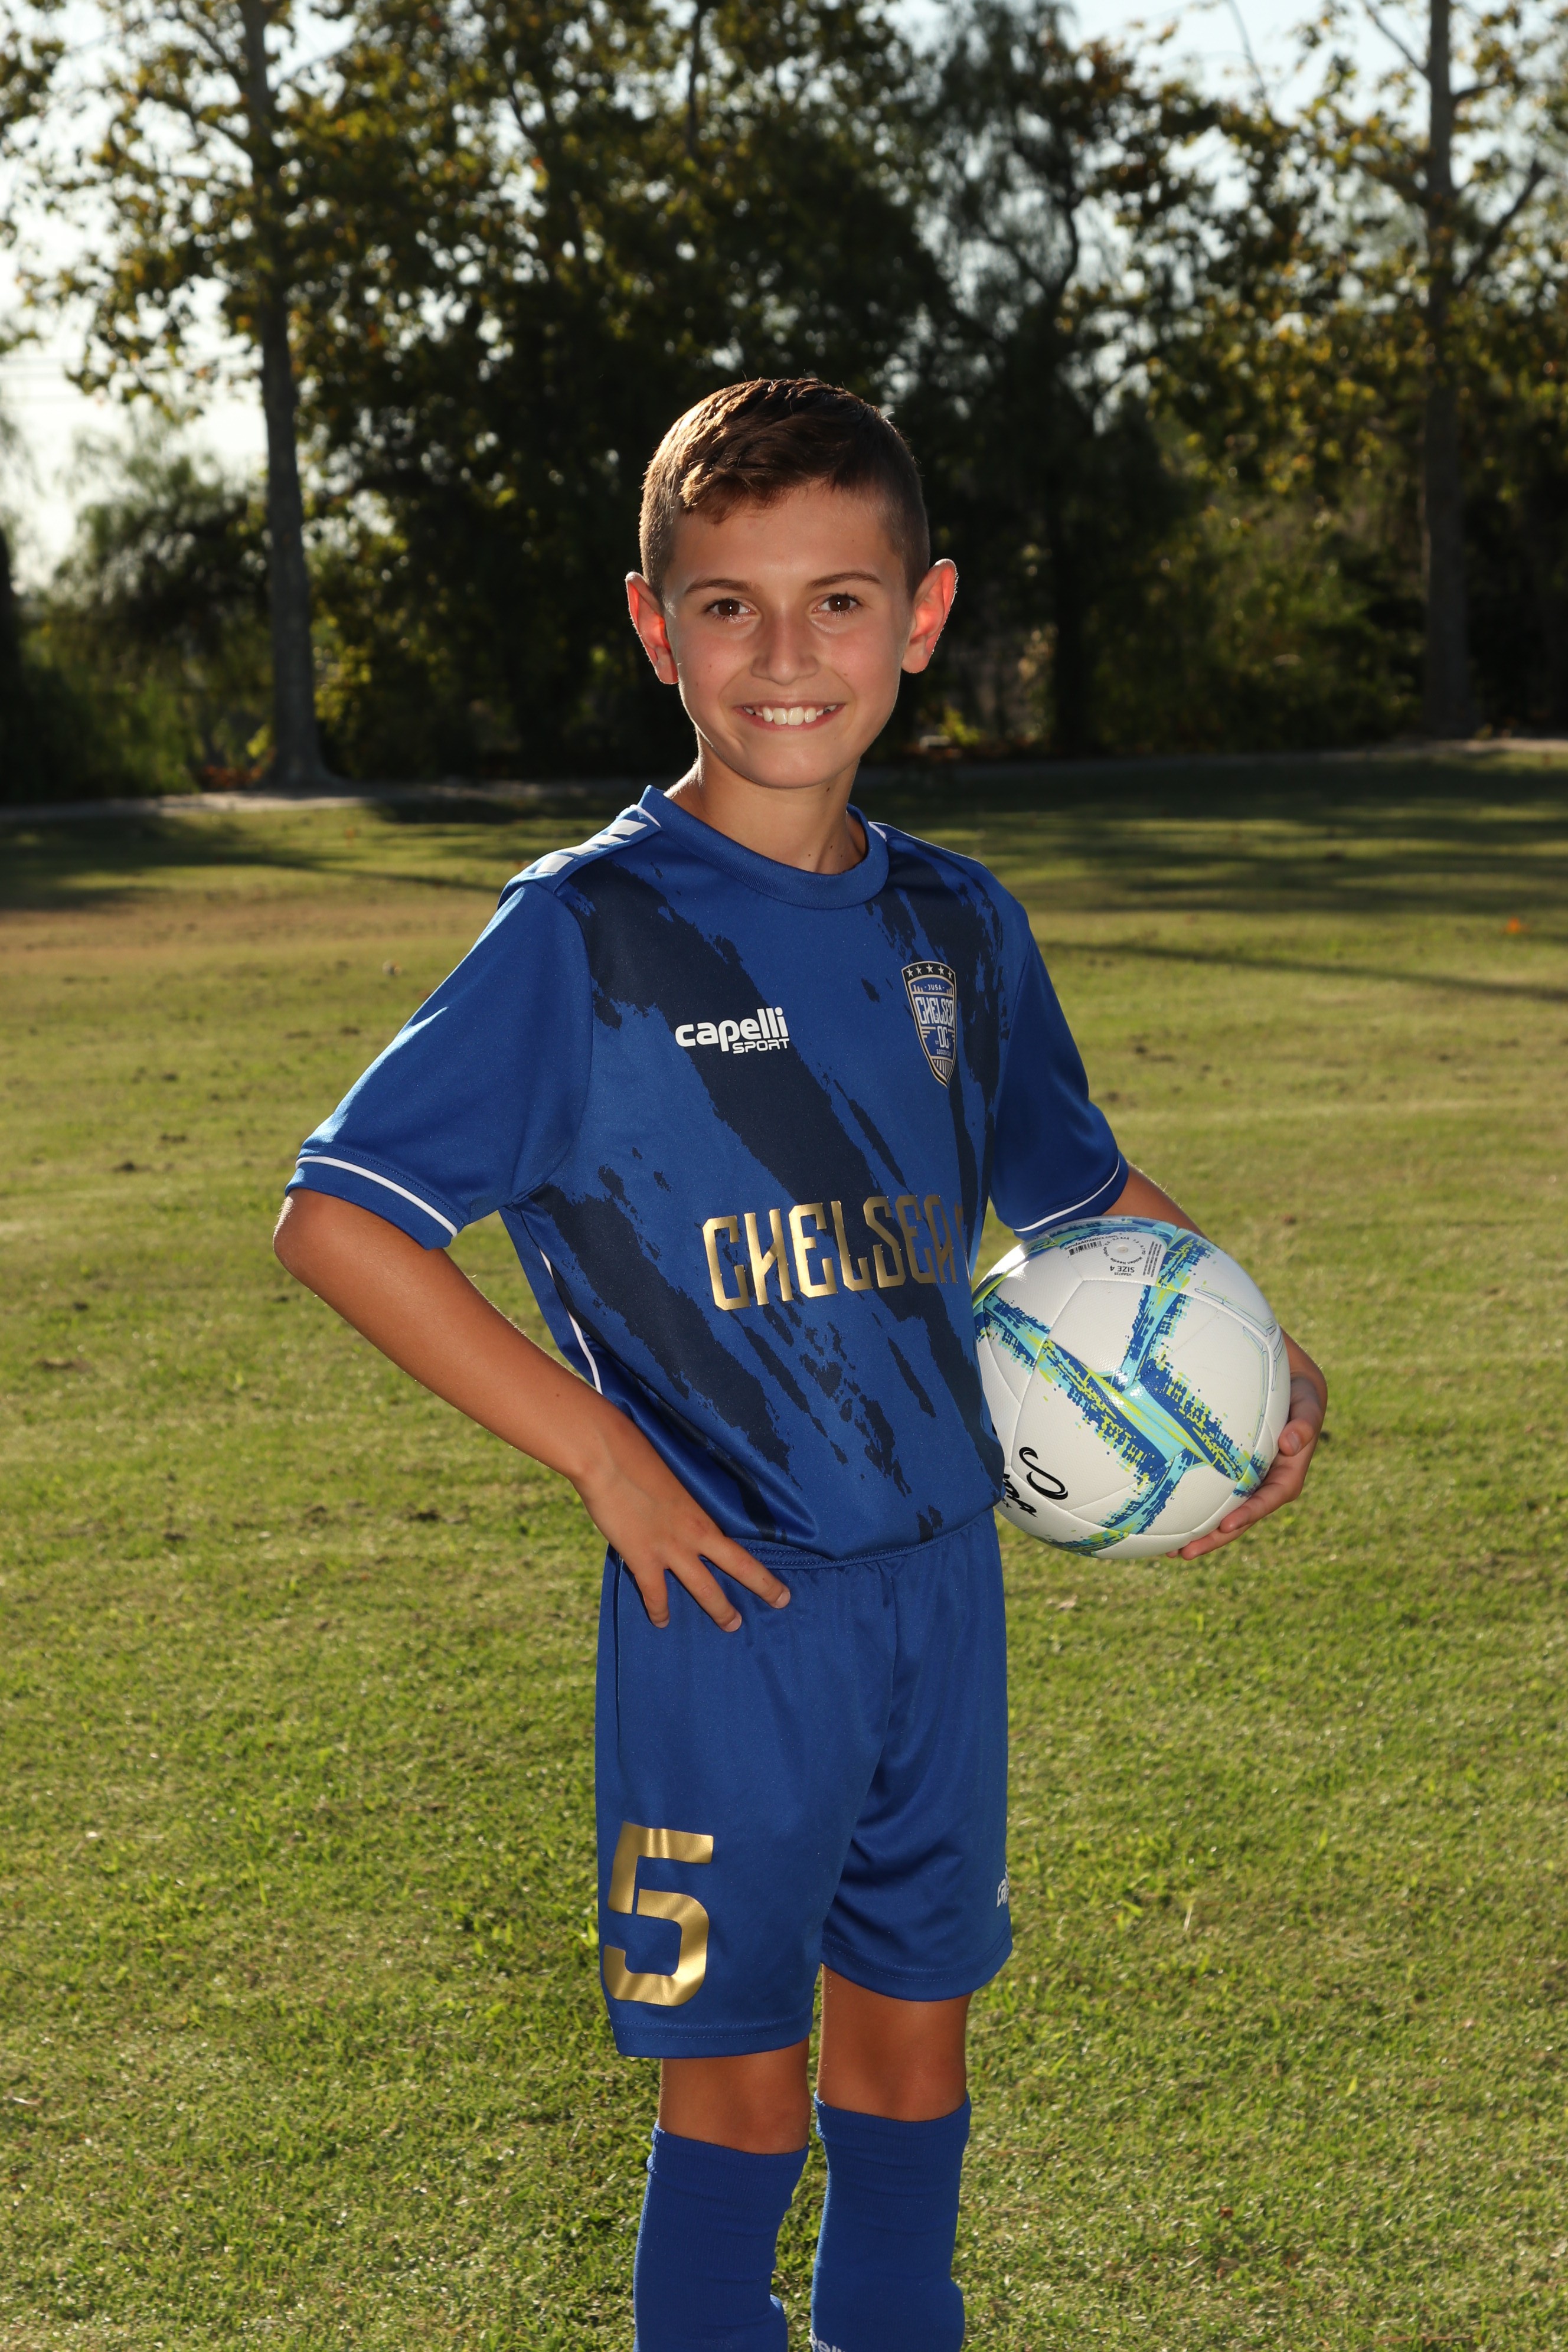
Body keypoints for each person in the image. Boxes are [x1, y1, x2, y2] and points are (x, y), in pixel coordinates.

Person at [273, 377, 1327, 2351]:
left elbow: (1082, 1200)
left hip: (942, 1579)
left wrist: (1258, 1361)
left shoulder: (956, 923)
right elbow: (341, 1223)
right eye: (729, 606)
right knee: (740, 2082)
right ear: (655, 627)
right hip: (731, 1604)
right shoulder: (588, 935)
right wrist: (610, 1463)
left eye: (838, 602)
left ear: (921, 617)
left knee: (915, 2045)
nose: (786, 655)